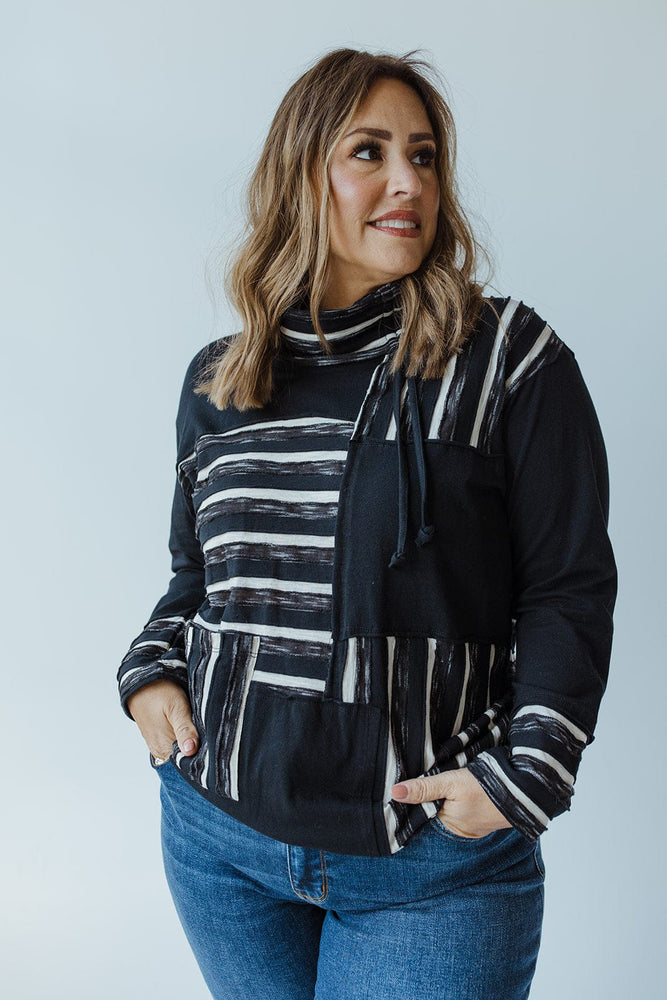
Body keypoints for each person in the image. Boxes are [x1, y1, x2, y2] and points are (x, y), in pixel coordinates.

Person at [117, 47, 617, 1000]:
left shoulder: (507, 361)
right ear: (302, 174)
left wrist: (523, 779)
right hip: (220, 837)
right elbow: (198, 577)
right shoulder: (221, 378)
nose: (407, 183)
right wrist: (148, 673)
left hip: (427, 871)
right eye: (370, 152)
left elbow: (568, 586)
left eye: (424, 156)